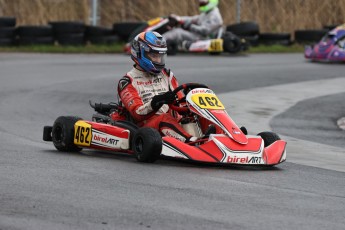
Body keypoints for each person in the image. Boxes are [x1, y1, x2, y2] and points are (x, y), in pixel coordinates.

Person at [116, 31, 200, 143]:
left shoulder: (167, 75)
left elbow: (179, 102)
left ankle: (218, 138)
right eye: (154, 56)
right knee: (164, 118)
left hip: (171, 123)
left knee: (197, 113)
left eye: (160, 56)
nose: (158, 60)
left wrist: (190, 101)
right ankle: (191, 142)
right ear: (140, 53)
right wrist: (157, 102)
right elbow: (137, 113)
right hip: (145, 129)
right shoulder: (128, 81)